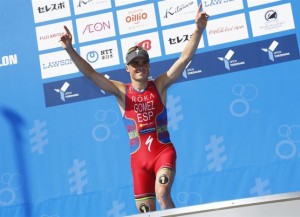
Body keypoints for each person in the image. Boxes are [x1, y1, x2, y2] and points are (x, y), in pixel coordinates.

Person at [60, 3, 208, 213]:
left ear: (148, 66)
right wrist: (69, 49)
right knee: (146, 212)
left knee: (163, 193)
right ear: (127, 68)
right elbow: (91, 74)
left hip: (163, 152)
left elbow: (184, 58)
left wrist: (198, 30)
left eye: (143, 63)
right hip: (138, 163)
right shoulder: (121, 91)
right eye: (135, 63)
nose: (140, 67)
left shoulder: (159, 84)